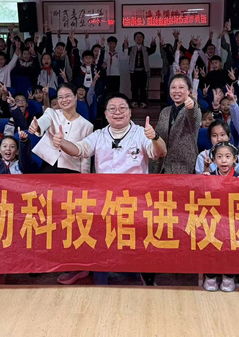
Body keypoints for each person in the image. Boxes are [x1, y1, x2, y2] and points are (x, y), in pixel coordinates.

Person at [52, 93, 167, 285]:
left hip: (135, 200)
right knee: (96, 235)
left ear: (130, 112)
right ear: (105, 114)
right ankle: (96, 276)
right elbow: (80, 150)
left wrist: (155, 137)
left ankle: (145, 277)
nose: (117, 112)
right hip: (105, 199)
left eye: (122, 108)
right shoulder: (99, 135)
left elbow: (160, 152)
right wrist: (62, 143)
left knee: (141, 238)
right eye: (112, 109)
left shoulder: (141, 133)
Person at [201, 142, 239, 292]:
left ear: (235, 159)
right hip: (213, 221)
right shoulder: (208, 177)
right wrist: (203, 181)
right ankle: (210, 276)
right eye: (219, 157)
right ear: (214, 160)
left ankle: (228, 277)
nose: (224, 160)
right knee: (209, 243)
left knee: (232, 246)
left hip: (233, 223)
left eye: (228, 156)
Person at [29, 83, 93, 174]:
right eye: (60, 97)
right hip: (49, 165)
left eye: (67, 96)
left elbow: (85, 156)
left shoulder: (87, 125)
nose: (64, 100)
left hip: (72, 168)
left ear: (75, 97)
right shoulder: (51, 113)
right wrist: (36, 126)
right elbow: (42, 122)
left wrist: (84, 176)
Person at [150, 75, 201, 175]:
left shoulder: (193, 109)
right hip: (162, 165)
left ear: (189, 91)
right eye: (173, 87)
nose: (176, 91)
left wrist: (192, 106)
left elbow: (194, 116)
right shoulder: (165, 111)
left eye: (181, 87)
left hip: (184, 167)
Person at [125, 32, 157, 108]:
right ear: (134, 39)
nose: (139, 38)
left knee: (143, 87)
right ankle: (134, 101)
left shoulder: (145, 49)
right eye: (137, 37)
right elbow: (125, 51)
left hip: (143, 71)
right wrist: (125, 44)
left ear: (143, 39)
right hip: (133, 71)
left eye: (140, 37)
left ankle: (143, 101)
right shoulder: (131, 49)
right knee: (134, 87)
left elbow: (152, 50)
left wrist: (153, 43)